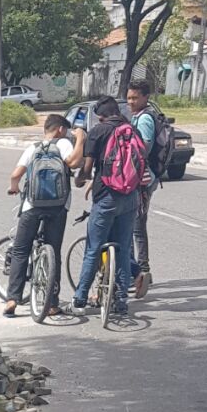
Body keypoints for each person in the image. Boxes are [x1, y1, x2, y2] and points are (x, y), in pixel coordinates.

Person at [2, 114, 79, 318]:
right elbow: (74, 162)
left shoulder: (33, 148)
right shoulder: (63, 144)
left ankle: (12, 299)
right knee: (54, 250)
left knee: (20, 250)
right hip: (58, 206)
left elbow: (15, 175)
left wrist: (14, 188)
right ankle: (52, 304)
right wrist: (81, 140)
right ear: (61, 129)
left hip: (32, 205)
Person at [70, 95, 140, 318]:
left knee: (94, 249)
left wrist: (80, 180)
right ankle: (121, 300)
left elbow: (88, 167)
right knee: (123, 248)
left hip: (106, 195)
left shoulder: (98, 132)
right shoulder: (131, 130)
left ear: (100, 116)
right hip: (130, 196)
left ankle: (80, 299)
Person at [126, 79, 160, 297]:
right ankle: (136, 271)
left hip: (143, 180)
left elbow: (143, 148)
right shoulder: (139, 116)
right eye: (129, 97)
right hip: (141, 179)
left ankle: (142, 270)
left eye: (135, 97)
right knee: (133, 225)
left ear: (145, 97)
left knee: (136, 226)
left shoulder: (145, 118)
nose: (131, 101)